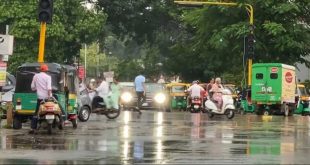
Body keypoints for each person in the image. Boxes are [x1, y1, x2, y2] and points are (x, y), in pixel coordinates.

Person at [29, 64, 52, 134]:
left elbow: (32, 87)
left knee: (36, 113)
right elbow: (49, 88)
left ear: (40, 70)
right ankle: (63, 120)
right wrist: (49, 97)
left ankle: (33, 128)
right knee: (58, 106)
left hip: (40, 98)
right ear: (46, 70)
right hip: (47, 98)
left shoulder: (35, 76)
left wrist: (37, 88)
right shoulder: (48, 77)